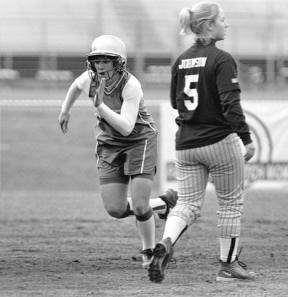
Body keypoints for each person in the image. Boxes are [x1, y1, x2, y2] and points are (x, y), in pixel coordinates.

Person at [148, 2, 256, 283]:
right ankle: (228, 266)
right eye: (222, 19)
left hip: (186, 144)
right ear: (209, 25)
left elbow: (175, 102)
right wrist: (246, 139)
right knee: (230, 204)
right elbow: (231, 104)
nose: (226, 24)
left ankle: (166, 243)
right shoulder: (222, 59)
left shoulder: (181, 60)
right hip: (220, 141)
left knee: (186, 204)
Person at [58, 35, 178, 268]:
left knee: (141, 206)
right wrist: (65, 111)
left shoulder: (131, 85)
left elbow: (126, 127)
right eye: (97, 61)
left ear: (118, 62)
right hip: (108, 144)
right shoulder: (89, 78)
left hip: (139, 141)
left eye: (106, 61)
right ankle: (164, 203)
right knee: (116, 209)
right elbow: (75, 86)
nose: (100, 65)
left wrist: (100, 106)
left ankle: (149, 251)